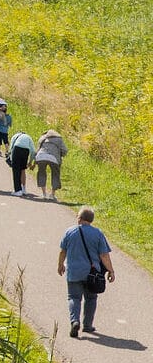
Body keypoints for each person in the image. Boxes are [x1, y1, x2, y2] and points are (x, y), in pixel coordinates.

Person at [58, 207, 115, 338]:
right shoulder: (98, 233)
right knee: (91, 298)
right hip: (92, 273)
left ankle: (74, 321)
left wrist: (60, 265)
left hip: (74, 272)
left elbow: (63, 251)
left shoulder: (69, 231)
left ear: (80, 218)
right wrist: (111, 271)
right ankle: (87, 325)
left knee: (74, 298)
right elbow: (104, 255)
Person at [35, 128, 67, 199]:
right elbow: (64, 150)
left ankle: (44, 194)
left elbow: (38, 149)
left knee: (41, 173)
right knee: (55, 174)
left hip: (41, 156)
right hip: (54, 158)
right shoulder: (59, 139)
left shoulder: (42, 138)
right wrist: (60, 154)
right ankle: (52, 194)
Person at [7, 129, 34, 196]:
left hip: (17, 150)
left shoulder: (15, 136)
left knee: (16, 170)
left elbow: (11, 148)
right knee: (22, 169)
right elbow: (33, 151)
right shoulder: (28, 137)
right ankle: (23, 189)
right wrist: (30, 162)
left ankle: (18, 190)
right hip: (26, 151)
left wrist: (11, 159)